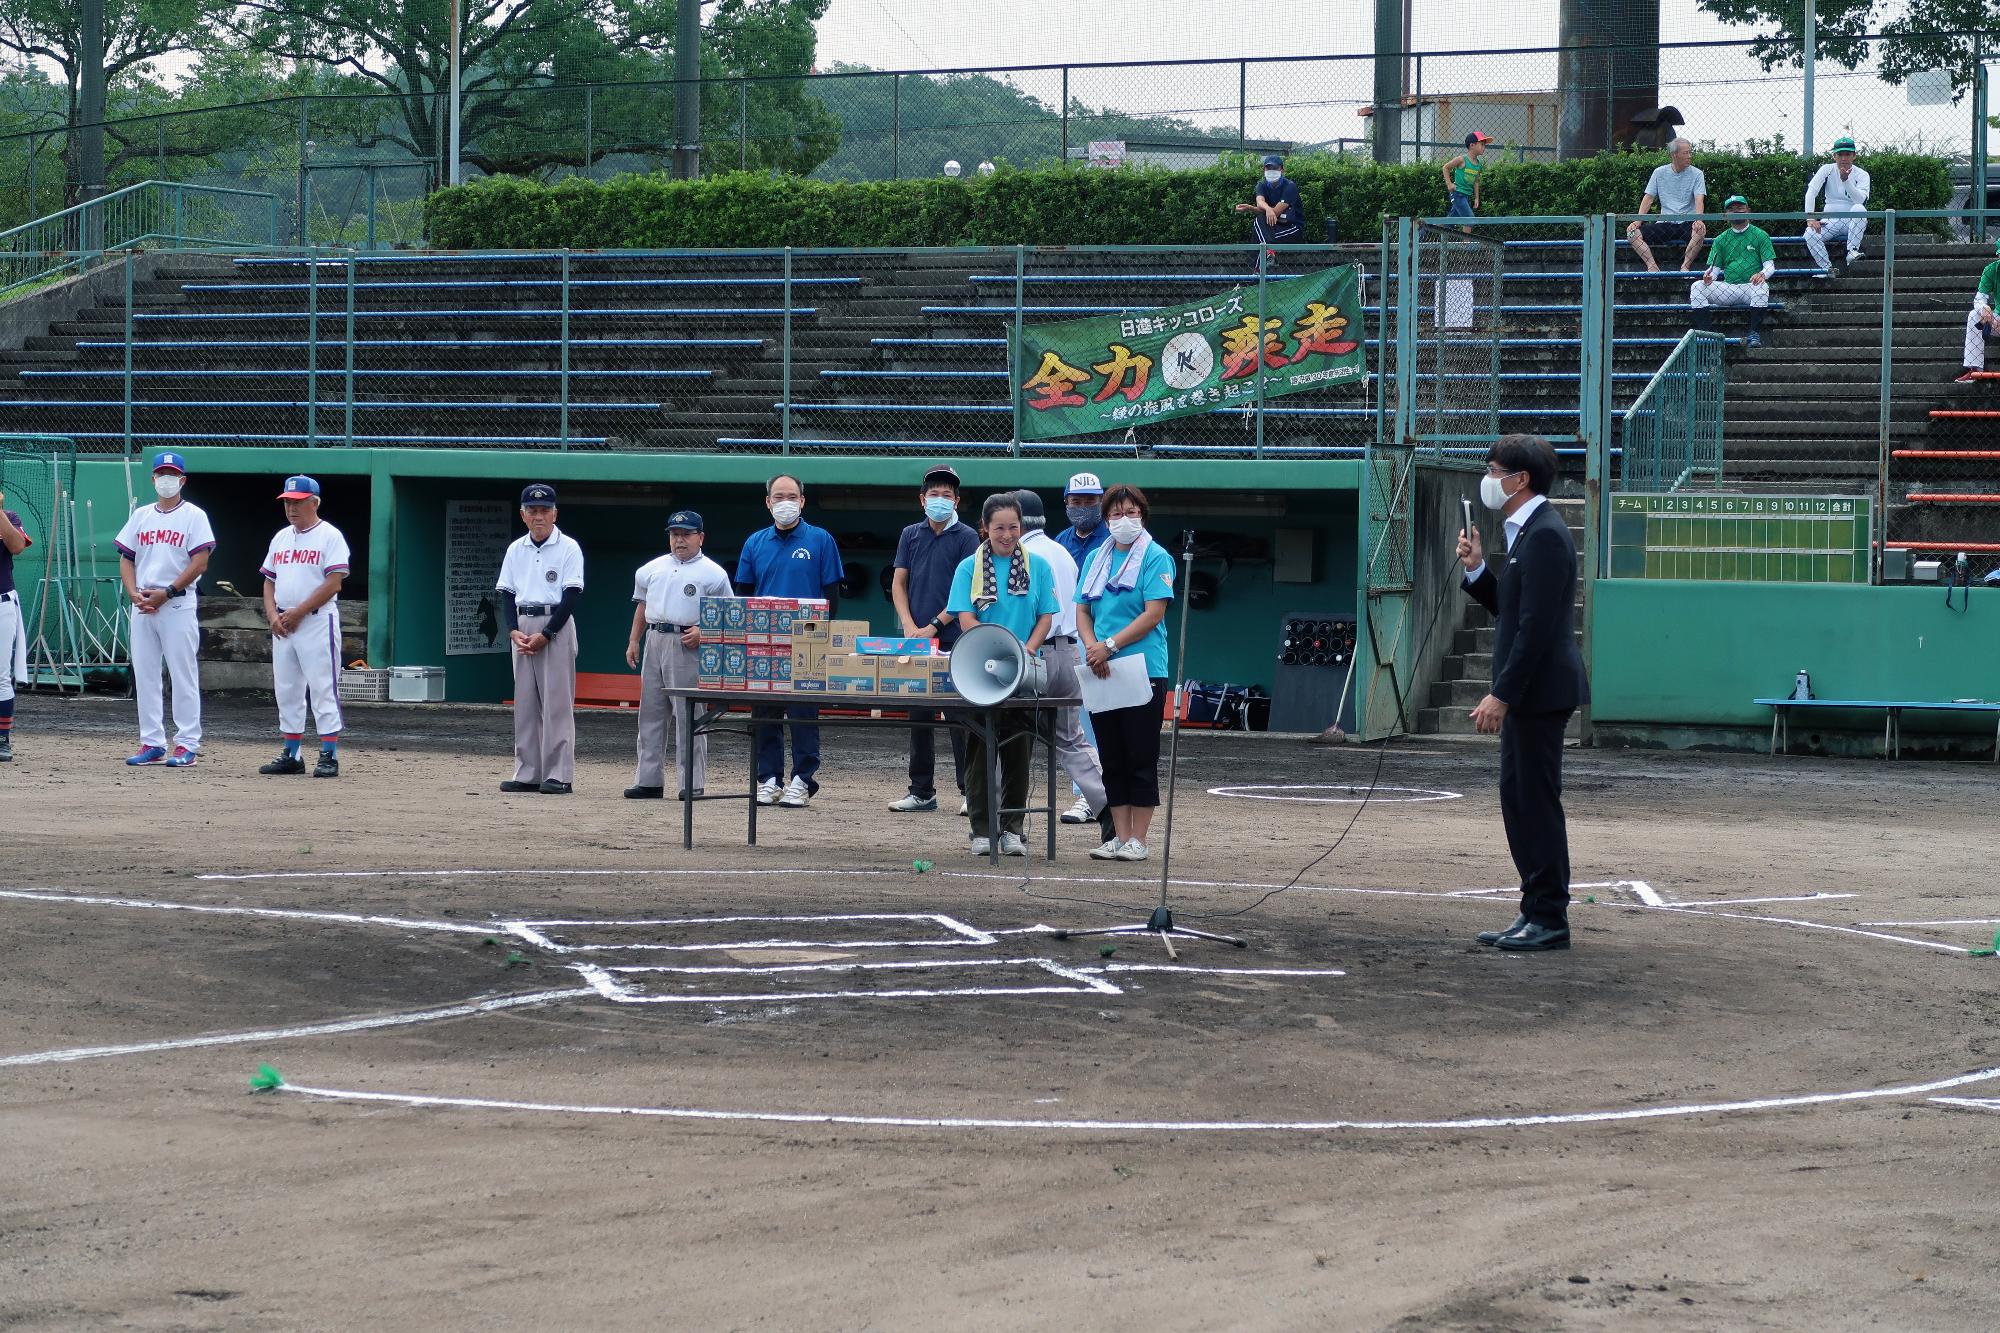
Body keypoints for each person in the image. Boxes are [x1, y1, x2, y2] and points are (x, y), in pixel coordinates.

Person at [1455, 435, 1590, 953]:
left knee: (1533, 800)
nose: (1489, 480)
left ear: (1520, 479)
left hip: (1538, 693)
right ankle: (1535, 910)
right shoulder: (1526, 533)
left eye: (1495, 471)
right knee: (1520, 799)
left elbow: (1535, 629)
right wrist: (1476, 570)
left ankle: (1549, 915)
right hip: (1532, 693)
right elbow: (1511, 610)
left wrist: (1502, 694)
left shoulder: (1546, 536)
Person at [946, 492, 1056, 858]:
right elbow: (965, 618)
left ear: (1021, 527)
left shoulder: (1038, 566)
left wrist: (1026, 650)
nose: (1007, 535)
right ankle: (981, 828)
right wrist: (996, 647)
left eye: (1013, 527)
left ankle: (1012, 828)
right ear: (985, 529)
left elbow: (1045, 616)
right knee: (978, 750)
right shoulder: (968, 568)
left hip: (1023, 666)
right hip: (982, 666)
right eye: (999, 529)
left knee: (1018, 750)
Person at [1075, 483, 1177, 863]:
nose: (1124, 520)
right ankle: (1118, 836)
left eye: (1131, 512)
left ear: (1142, 515)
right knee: (1112, 755)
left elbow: (1153, 613)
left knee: (1140, 753)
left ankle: (1140, 838)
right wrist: (1091, 647)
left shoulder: (1156, 557)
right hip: (1101, 668)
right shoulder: (1095, 558)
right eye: (1116, 514)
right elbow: (1083, 609)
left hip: (1142, 668)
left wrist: (1110, 645)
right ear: (1106, 520)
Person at [1015, 488, 1116, 848]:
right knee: (1072, 740)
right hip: (1069, 652)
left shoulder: (1021, 554)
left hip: (1033, 654)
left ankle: (1005, 825)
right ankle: (1110, 811)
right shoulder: (1060, 550)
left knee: (1006, 737)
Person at [737, 473, 844, 808]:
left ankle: (802, 780)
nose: (785, 502)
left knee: (803, 713)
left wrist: (822, 634)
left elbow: (831, 594)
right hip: (763, 642)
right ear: (768, 502)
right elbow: (744, 593)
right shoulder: (754, 542)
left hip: (807, 643)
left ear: (802, 501)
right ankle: (769, 779)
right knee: (764, 713)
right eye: (778, 496)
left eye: (792, 496)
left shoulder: (821, 539)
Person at [889, 463, 980, 815]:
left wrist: (933, 627)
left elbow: (966, 592)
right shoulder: (910, 534)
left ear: (957, 500)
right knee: (919, 716)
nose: (939, 499)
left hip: (955, 640)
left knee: (960, 717)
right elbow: (899, 583)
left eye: (947, 494)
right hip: (916, 641)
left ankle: (970, 790)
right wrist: (910, 625)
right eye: (933, 494)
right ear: (921, 499)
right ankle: (921, 791)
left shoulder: (968, 538)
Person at [114, 452, 215, 768]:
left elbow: (201, 561)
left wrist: (167, 592)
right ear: (153, 478)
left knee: (182, 675)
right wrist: (132, 593)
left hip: (177, 603)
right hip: (143, 604)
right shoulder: (142, 515)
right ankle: (152, 742)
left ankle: (186, 744)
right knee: (145, 676)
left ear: (182, 480)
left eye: (172, 474)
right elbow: (126, 557)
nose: (166, 479)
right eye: (162, 473)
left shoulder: (194, 515)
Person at [625, 509, 732, 801]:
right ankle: (648, 780)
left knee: (689, 715)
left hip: (688, 642)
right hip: (655, 637)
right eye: (674, 534)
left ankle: (692, 782)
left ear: (701, 537)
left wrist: (704, 631)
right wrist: (634, 640)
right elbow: (642, 607)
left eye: (686, 534)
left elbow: (727, 615)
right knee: (650, 713)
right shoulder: (651, 568)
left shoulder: (713, 573)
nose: (679, 540)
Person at [255, 476, 350, 779]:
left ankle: (329, 754)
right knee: (287, 690)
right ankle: (292, 754)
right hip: (284, 623)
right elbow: (269, 581)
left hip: (317, 620)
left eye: (297, 502)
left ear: (314, 502)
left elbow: (333, 583)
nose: (291, 508)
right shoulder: (281, 537)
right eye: (287, 502)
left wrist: (298, 612)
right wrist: (272, 615)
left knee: (323, 687)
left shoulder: (330, 536)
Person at [495, 483, 584, 795]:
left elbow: (572, 594)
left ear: (555, 513)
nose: (539, 515)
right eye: (532, 510)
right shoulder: (515, 548)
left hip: (555, 621)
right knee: (526, 703)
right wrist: (511, 630)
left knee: (557, 703)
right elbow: (506, 592)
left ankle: (559, 774)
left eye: (544, 509)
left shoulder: (568, 547)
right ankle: (528, 772)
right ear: (523, 514)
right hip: (523, 623)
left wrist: (547, 634)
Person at [1054, 470, 1110, 823]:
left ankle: (1095, 796)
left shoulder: (1111, 540)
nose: (1084, 507)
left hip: (1103, 642)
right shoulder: (1060, 541)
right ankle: (1087, 795)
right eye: (1077, 501)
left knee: (1098, 723)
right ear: (1066, 503)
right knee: (1076, 724)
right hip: (1068, 641)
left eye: (1091, 501)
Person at [1690, 195, 1777, 348]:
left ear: (1748, 211)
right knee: (1697, 286)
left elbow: (1770, 265)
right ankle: (1707, 335)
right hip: (1728, 287)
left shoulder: (1760, 235)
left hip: (1750, 287)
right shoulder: (1720, 239)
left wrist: (1762, 274)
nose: (1736, 211)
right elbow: (1714, 270)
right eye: (1731, 209)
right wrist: (1708, 276)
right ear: (1726, 215)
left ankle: (1754, 333)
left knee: (1762, 286)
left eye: (1740, 208)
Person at [1626, 138, 1708, 275]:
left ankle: (1685, 266)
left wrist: (1699, 220)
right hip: (1665, 223)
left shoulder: (1697, 174)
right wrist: (1637, 221)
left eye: (1690, 152)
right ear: (1674, 155)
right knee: (1631, 233)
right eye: (1686, 153)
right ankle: (1652, 266)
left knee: (1701, 231)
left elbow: (1699, 199)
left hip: (1688, 223)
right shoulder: (1659, 172)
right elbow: (1648, 198)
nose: (1690, 156)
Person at [1802, 136, 1870, 272]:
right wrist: (1810, 219)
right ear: (1834, 156)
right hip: (1829, 221)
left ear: (1854, 156)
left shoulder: (1862, 174)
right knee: (1809, 233)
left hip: (1851, 222)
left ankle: (1852, 250)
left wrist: (1846, 181)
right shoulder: (1826, 169)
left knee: (1859, 208)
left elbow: (1860, 200)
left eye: (1848, 154)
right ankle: (1826, 269)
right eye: (1840, 154)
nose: (1844, 158)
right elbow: (1811, 193)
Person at [0, 491, 30, 763]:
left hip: (2, 603)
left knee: (0, 675)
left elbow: (17, 546)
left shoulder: (8, 517)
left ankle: (2, 740)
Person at [1234, 154, 1302, 262]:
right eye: (1268, 168)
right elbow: (1260, 202)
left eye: (1275, 168)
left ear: (1282, 170)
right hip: (1273, 227)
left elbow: (1275, 212)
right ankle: (1267, 258)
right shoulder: (1261, 185)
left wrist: (1268, 210)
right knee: (1260, 222)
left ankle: (1255, 274)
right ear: (1264, 169)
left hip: (1292, 228)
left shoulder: (1290, 186)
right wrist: (1251, 208)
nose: (1271, 171)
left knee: (1259, 239)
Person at [1956, 237, 2000, 385]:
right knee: (1975, 315)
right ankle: (1974, 370)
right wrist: (1985, 308)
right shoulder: (1992, 270)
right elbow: (1979, 299)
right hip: (1998, 320)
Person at [1441, 131, 1493, 229]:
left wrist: (1477, 197)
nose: (1484, 147)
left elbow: (1476, 181)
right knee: (1470, 220)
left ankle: (1426, 229)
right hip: (1457, 194)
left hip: (1466, 196)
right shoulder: (1461, 159)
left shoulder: (1479, 163)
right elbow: (1445, 168)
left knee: (1449, 223)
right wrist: (1449, 184)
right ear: (1472, 145)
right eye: (1481, 144)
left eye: (1484, 145)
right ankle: (1465, 244)